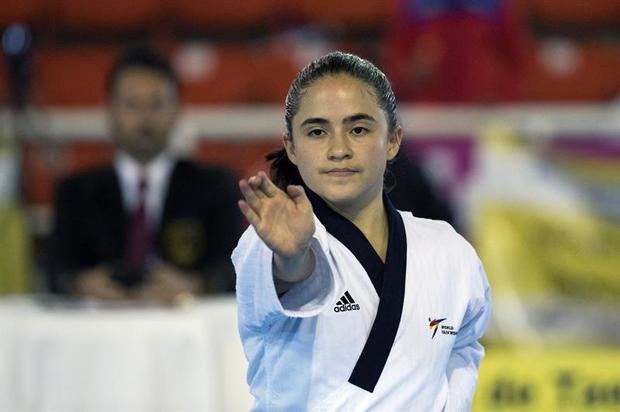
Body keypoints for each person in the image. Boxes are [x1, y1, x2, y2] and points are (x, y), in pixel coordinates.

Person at [232, 51, 491, 411]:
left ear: (393, 140)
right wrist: (291, 256)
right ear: (291, 146)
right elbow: (295, 276)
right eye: (317, 131)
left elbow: (464, 346)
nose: (339, 149)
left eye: (358, 129)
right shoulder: (269, 240)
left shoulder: (449, 250)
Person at [48, 46, 242, 304]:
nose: (145, 117)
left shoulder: (215, 185)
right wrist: (81, 284)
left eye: (156, 104)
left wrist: (197, 284)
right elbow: (56, 270)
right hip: (97, 329)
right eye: (132, 105)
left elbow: (233, 269)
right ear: (111, 111)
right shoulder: (75, 191)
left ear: (177, 111)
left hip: (185, 326)